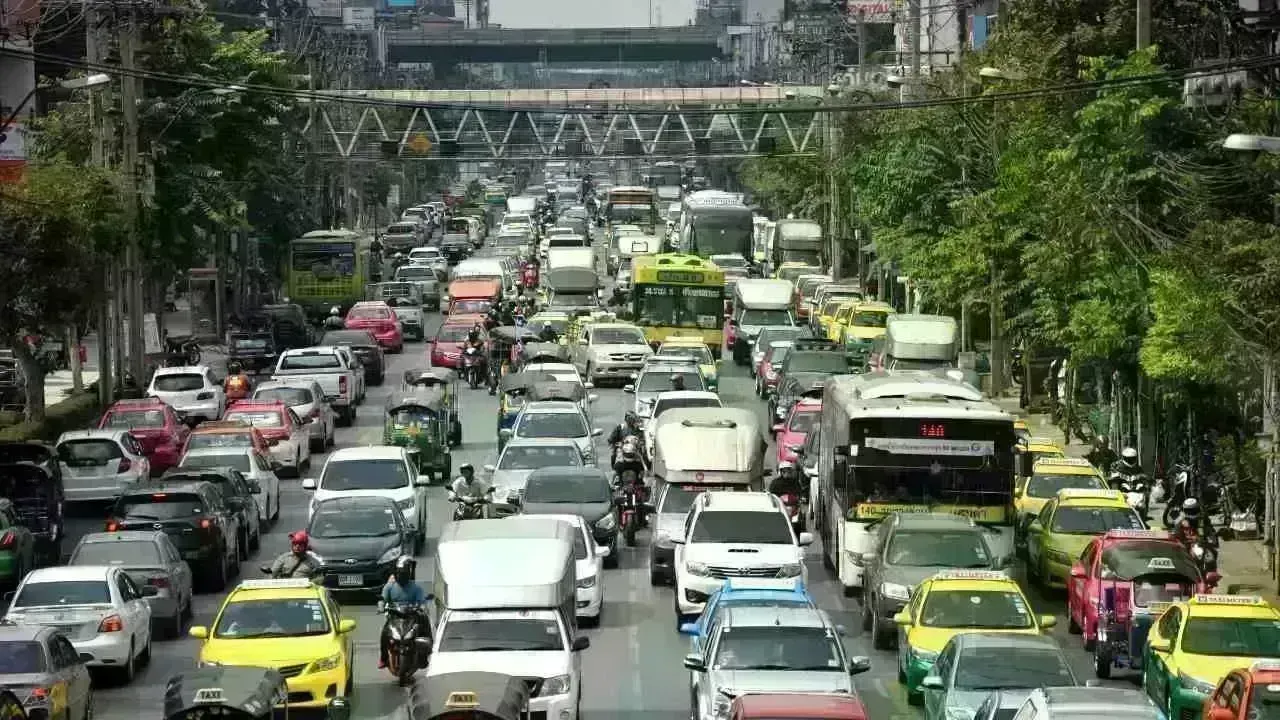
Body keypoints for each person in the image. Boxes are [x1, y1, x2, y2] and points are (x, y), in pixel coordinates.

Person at [377, 555, 430, 669]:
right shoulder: (389, 587)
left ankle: (424, 656)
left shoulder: (416, 588)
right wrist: (381, 607)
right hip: (394, 617)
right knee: (384, 634)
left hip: (411, 617)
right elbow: (382, 599)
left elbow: (422, 602)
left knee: (424, 625)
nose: (401, 576)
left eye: (404, 573)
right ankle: (383, 658)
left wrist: (423, 608)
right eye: (400, 573)